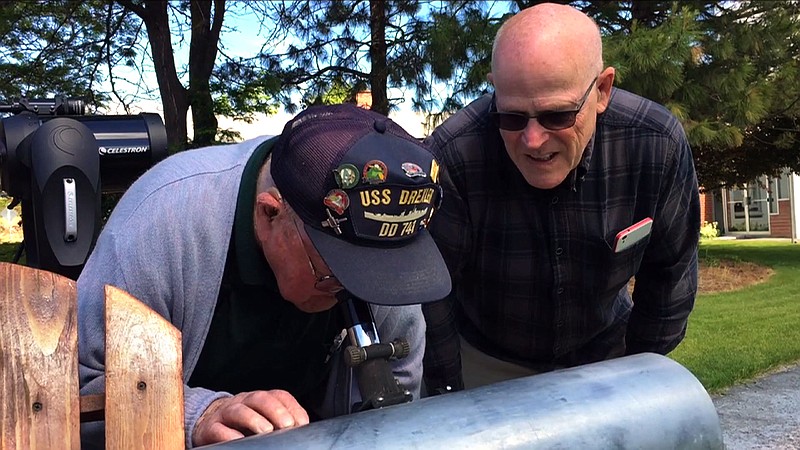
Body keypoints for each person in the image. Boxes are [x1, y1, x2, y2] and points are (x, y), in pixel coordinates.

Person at [78, 103, 451, 448]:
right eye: (334, 273)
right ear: (270, 214)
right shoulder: (162, 225)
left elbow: (396, 400)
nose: (353, 292)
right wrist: (192, 415)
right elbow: (75, 387)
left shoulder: (380, 238)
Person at [422, 2, 700, 394]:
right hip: (488, 361)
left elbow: (670, 274)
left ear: (602, 91)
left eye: (557, 116)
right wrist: (450, 398)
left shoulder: (655, 144)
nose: (533, 141)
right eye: (512, 117)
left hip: (608, 355)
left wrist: (640, 375)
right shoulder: (454, 155)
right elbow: (433, 296)